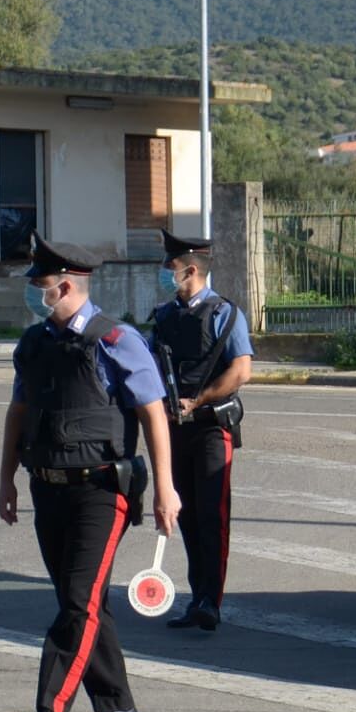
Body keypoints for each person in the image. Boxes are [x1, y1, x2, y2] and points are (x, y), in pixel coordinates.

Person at [0, 233, 181, 712]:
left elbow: (153, 414)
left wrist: (166, 488)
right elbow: (18, 413)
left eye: (40, 285)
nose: (34, 293)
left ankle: (49, 711)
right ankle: (116, 704)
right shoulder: (34, 345)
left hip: (102, 491)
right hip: (48, 488)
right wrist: (6, 478)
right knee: (84, 601)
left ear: (66, 285)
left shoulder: (117, 340)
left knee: (77, 604)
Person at [150, 229, 254, 632]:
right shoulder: (164, 316)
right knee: (188, 517)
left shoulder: (226, 313)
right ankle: (197, 598)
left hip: (211, 428)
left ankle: (212, 600)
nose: (163, 271)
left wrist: (199, 399)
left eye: (169, 266)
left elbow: (241, 370)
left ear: (190, 270)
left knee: (213, 516)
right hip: (175, 430)